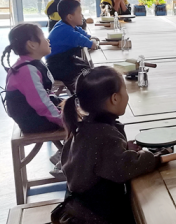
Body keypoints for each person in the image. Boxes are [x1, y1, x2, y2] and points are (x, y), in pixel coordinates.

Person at [52, 67, 164, 224]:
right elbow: (126, 168)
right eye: (125, 90)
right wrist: (152, 157)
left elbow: (100, 158)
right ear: (115, 98)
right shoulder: (105, 135)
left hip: (78, 210)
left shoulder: (83, 128)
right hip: (96, 218)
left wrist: (124, 148)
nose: (127, 95)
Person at [1, 23, 63, 133]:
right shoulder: (27, 71)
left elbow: (45, 93)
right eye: (44, 37)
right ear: (32, 45)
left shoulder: (33, 63)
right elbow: (41, 104)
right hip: (32, 121)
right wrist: (62, 120)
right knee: (83, 122)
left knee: (75, 107)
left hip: (36, 113)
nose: (48, 41)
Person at [46, 0, 99, 92]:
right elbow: (90, 44)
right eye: (80, 13)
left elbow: (80, 32)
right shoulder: (67, 31)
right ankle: (80, 95)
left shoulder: (64, 24)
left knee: (86, 67)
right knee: (84, 74)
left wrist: (89, 37)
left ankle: (83, 92)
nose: (82, 15)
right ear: (70, 17)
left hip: (63, 60)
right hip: (57, 66)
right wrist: (92, 42)